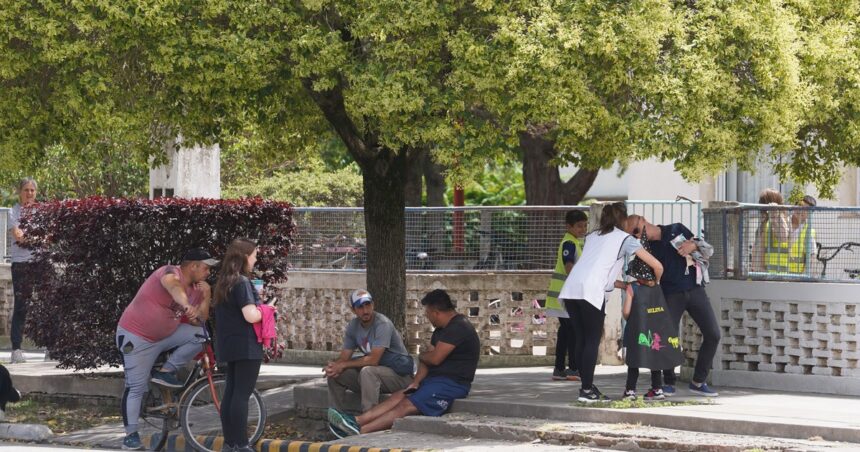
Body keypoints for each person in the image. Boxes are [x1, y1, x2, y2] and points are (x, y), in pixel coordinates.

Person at [327, 289, 479, 437]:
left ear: (435, 312)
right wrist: (416, 382)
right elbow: (427, 361)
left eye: (427, 313)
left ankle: (361, 431)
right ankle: (355, 421)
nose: (427, 317)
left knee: (405, 405)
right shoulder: (439, 331)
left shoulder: (459, 326)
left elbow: (434, 358)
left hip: (452, 385)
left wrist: (423, 356)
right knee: (398, 396)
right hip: (433, 381)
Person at [559, 202, 663, 403]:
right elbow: (656, 265)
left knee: (581, 339)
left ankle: (586, 387)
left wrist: (623, 285)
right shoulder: (625, 239)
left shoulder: (592, 236)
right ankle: (587, 390)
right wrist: (656, 281)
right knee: (591, 341)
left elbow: (598, 269)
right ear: (622, 219)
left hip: (571, 289)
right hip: (590, 292)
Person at [115, 248, 215, 450]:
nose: (209, 273)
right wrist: (186, 304)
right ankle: (131, 435)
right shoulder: (170, 271)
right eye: (206, 268)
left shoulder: (198, 288)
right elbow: (173, 287)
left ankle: (166, 370)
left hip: (165, 336)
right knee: (135, 386)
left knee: (202, 335)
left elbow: (201, 321)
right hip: (136, 338)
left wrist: (206, 296)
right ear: (193, 266)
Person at [631, 215, 720, 397]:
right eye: (633, 235)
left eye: (636, 231)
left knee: (713, 334)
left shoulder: (676, 228)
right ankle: (668, 381)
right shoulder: (645, 249)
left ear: (643, 220)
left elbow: (701, 246)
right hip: (670, 295)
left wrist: (693, 245)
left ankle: (698, 381)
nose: (637, 236)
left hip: (695, 289)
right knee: (666, 338)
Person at [213, 238, 270, 452]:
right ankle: (242, 443)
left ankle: (230, 442)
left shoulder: (223, 282)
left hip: (228, 345)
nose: (255, 259)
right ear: (246, 256)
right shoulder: (243, 282)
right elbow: (250, 315)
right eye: (254, 255)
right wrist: (267, 309)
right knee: (241, 395)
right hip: (246, 346)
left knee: (230, 394)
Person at [620, 216, 684, 401]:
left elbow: (626, 313)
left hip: (637, 332)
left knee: (634, 361)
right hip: (656, 334)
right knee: (656, 360)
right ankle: (657, 390)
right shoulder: (658, 288)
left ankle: (630, 391)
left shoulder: (633, 288)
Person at [325, 289, 414, 415]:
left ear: (373, 305)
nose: (365, 310)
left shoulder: (382, 324)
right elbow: (344, 358)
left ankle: (368, 419)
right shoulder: (353, 326)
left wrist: (343, 364)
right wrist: (333, 367)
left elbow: (373, 360)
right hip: (375, 378)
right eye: (360, 307)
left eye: (368, 305)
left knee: (368, 371)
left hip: (400, 377)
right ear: (353, 310)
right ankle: (336, 417)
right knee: (335, 375)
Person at [544, 210, 588, 381]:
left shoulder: (574, 242)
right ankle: (572, 368)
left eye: (585, 225)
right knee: (573, 333)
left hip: (563, 296)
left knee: (566, 333)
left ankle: (560, 368)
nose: (583, 229)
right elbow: (569, 265)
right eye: (579, 226)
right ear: (568, 226)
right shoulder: (569, 243)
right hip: (566, 297)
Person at [8, 177, 38, 364]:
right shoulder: (13, 212)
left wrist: (32, 237)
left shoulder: (41, 211)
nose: (29, 193)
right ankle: (16, 349)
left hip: (40, 263)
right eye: (26, 190)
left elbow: (49, 236)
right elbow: (18, 237)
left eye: (32, 190)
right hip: (21, 263)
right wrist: (37, 237)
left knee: (47, 305)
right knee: (21, 306)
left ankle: (51, 347)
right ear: (20, 192)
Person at [753, 188, 789, 273]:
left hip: (777, 275)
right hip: (762, 273)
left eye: (762, 203)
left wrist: (774, 215)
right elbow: (757, 248)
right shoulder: (763, 224)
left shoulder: (780, 220)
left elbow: (783, 237)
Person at [788, 195, 817, 275]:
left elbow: (811, 258)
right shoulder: (782, 223)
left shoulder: (809, 232)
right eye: (800, 206)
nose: (801, 210)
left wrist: (802, 278)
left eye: (806, 209)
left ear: (810, 214)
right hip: (774, 276)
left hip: (795, 279)